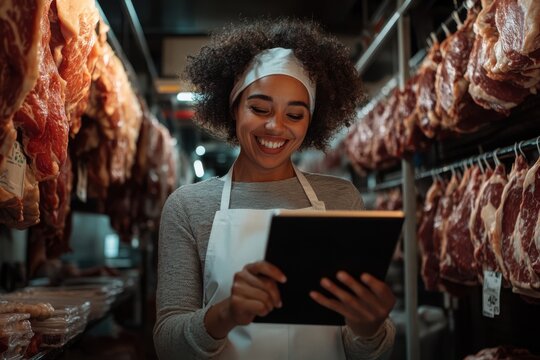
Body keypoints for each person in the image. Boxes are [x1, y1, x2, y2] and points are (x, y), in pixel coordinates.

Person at [154, 18, 397, 360]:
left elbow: (364, 350)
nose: (275, 127)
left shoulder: (341, 198)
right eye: (259, 108)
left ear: (310, 123)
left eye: (295, 115)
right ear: (233, 107)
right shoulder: (188, 206)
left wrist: (369, 327)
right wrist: (227, 313)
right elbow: (167, 344)